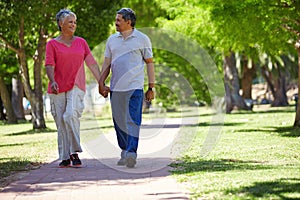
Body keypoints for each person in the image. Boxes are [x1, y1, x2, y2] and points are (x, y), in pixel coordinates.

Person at [99, 8, 155, 168]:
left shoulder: (142, 39)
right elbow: (107, 64)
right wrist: (101, 83)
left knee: (133, 121)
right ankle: (125, 150)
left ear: (128, 22)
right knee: (118, 122)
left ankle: (131, 153)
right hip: (116, 88)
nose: (116, 22)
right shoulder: (112, 40)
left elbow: (150, 63)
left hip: (135, 88)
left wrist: (151, 87)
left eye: (119, 20)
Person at [45, 8, 101, 168]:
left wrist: (101, 82)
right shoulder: (52, 44)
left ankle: (74, 150)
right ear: (61, 23)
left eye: (75, 22)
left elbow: (91, 62)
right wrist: (52, 80)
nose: (74, 25)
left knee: (69, 116)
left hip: (76, 85)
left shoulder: (81, 42)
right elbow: (49, 64)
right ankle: (66, 156)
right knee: (61, 124)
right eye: (70, 21)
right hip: (57, 87)